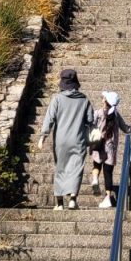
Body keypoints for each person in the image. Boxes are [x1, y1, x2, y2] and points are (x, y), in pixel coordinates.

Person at [38, 68, 94, 211]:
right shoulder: (84, 100)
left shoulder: (57, 99)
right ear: (76, 83)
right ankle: (73, 199)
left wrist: (43, 136)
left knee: (61, 168)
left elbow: (49, 118)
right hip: (78, 139)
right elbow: (90, 120)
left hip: (61, 140)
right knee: (76, 169)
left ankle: (59, 203)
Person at [90, 90, 131, 208]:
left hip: (98, 145)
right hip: (111, 148)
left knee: (96, 165)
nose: (102, 98)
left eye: (104, 97)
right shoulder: (116, 115)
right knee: (108, 173)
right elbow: (125, 128)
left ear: (105, 101)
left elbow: (91, 125)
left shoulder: (98, 113)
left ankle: (95, 179)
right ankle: (108, 197)